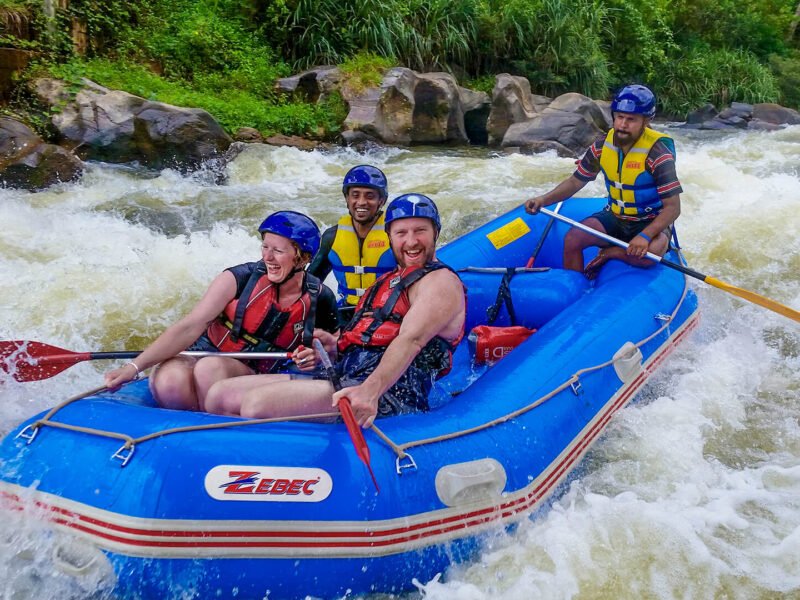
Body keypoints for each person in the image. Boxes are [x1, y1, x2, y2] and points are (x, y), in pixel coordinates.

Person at [205, 193, 466, 428]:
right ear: (389, 237)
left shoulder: (439, 282)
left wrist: (369, 392)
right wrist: (334, 345)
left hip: (392, 392)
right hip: (348, 374)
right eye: (401, 233)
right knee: (220, 396)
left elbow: (411, 340)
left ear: (436, 233)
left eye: (419, 231)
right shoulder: (390, 280)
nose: (411, 241)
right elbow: (369, 337)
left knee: (256, 405)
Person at [104, 211, 340, 412]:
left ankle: (219, 433)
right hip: (203, 352)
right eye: (265, 246)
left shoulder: (320, 298)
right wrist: (133, 367)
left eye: (278, 250)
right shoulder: (239, 278)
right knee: (169, 382)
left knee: (210, 368)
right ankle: (190, 436)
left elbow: (331, 350)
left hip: (256, 370)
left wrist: (318, 355)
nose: (267, 257)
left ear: (303, 257)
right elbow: (190, 326)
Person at [524, 84, 682, 278]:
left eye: (631, 119)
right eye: (619, 117)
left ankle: (611, 252)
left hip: (650, 220)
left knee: (650, 256)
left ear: (646, 121)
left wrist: (644, 236)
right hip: (617, 217)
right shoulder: (601, 146)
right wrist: (543, 200)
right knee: (572, 239)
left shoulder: (658, 154)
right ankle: (577, 289)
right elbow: (575, 182)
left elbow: (673, 208)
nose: (623, 125)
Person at [308, 165, 396, 323]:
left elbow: (417, 279)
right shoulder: (332, 237)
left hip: (388, 312)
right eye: (355, 195)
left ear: (381, 200)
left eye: (370, 196)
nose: (361, 202)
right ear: (347, 199)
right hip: (345, 311)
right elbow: (309, 284)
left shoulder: (396, 234)